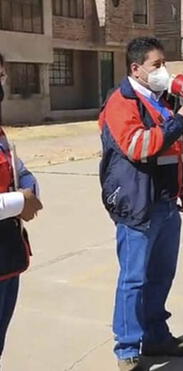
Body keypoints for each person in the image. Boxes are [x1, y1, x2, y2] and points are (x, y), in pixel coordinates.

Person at [98, 37, 183, 371]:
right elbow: (139, 146)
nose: (163, 70)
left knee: (161, 276)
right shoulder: (121, 102)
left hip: (166, 202)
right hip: (137, 205)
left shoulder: (161, 100)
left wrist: (182, 185)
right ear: (136, 69)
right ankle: (127, 347)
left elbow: (174, 150)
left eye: (164, 63)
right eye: (157, 65)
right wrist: (181, 120)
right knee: (134, 279)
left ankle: (155, 336)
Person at [0, 52, 43, 361]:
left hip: (7, 257)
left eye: (1, 75)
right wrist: (20, 202)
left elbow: (18, 169)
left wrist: (31, 190)